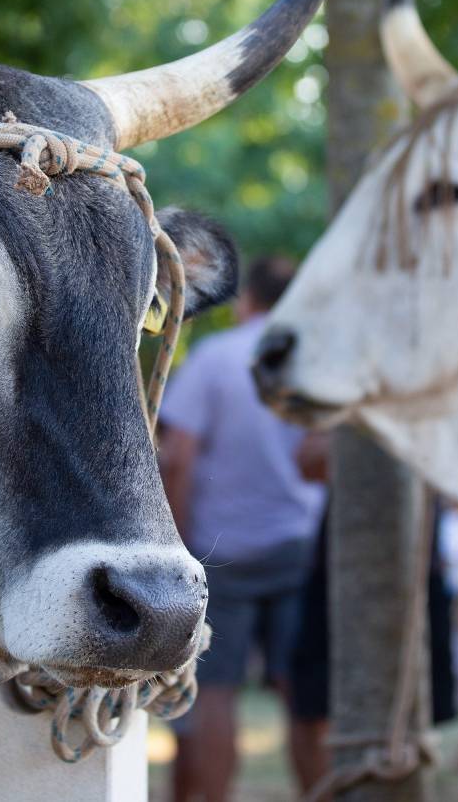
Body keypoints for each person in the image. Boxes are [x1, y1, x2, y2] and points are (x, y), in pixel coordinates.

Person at [159, 255, 326, 801]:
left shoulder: (214, 358)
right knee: (304, 693)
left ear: (246, 300)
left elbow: (179, 457)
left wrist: (179, 543)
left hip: (220, 550)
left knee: (216, 692)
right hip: (298, 545)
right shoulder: (312, 357)